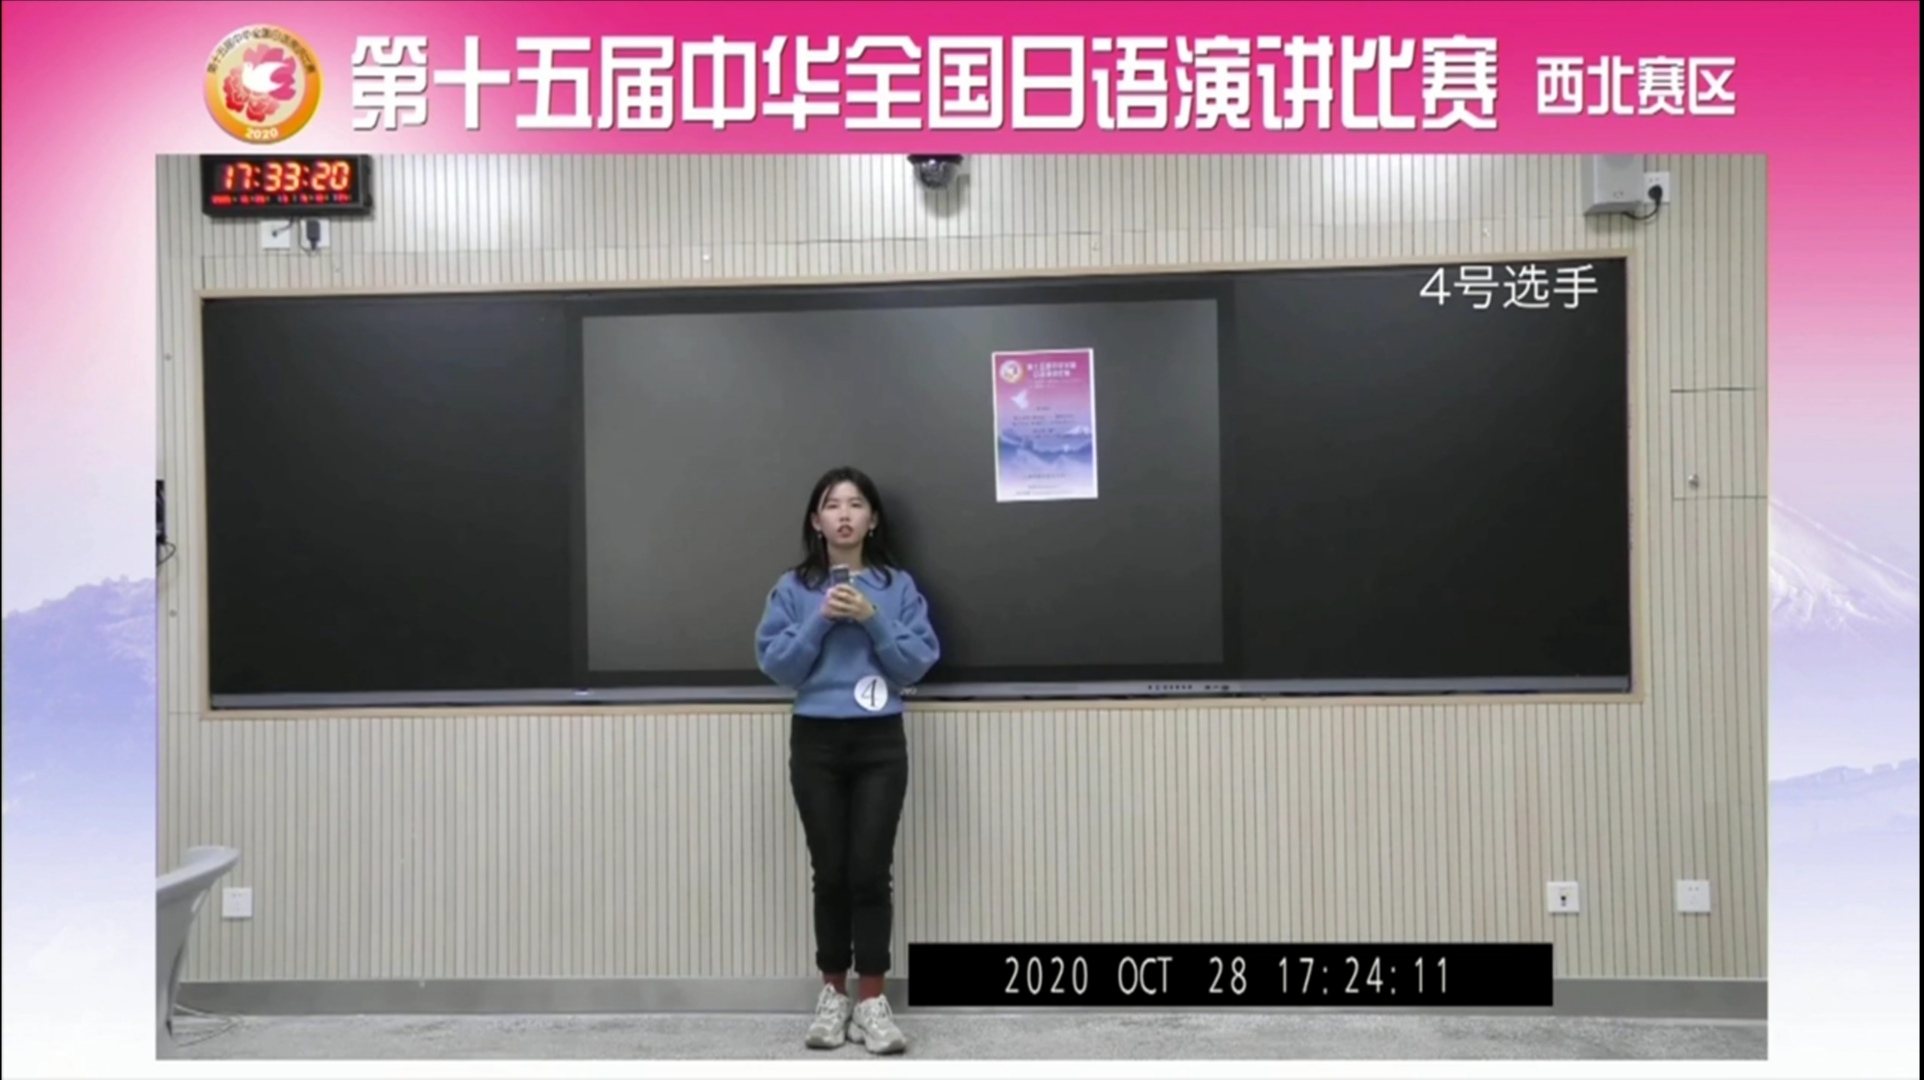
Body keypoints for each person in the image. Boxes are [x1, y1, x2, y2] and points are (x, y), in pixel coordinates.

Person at [754, 466, 941, 1055]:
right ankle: (833, 996)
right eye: (832, 505)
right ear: (816, 521)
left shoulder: (896, 586)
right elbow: (778, 666)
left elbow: (916, 663)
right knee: (830, 872)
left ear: (872, 519)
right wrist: (820, 618)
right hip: (816, 741)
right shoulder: (793, 588)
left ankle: (872, 1003)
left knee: (870, 871)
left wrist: (871, 617)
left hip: (880, 741)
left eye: (856, 504)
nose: (844, 514)